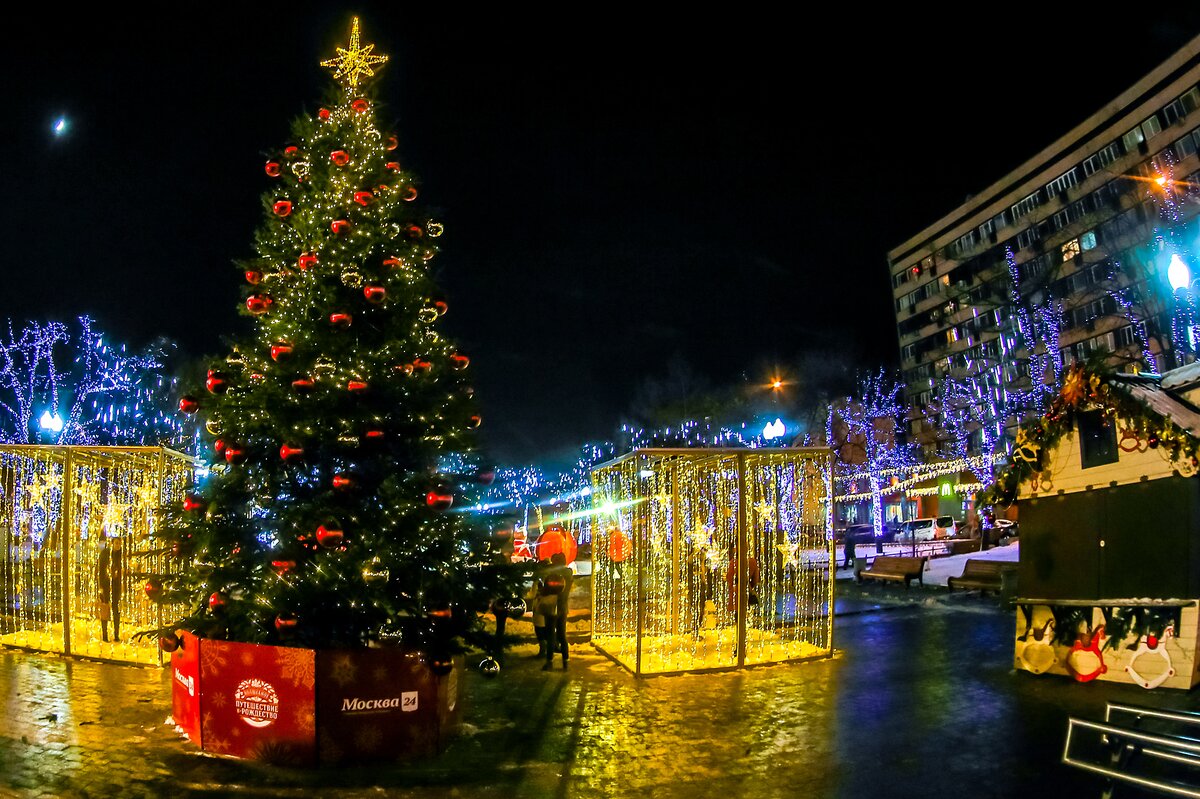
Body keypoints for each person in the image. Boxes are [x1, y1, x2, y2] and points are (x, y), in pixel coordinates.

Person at [538, 553, 572, 670]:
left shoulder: (551, 574)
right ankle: (565, 662)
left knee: (551, 635)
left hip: (551, 606)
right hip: (562, 607)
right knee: (562, 635)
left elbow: (545, 589)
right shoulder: (568, 573)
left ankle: (549, 662)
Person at [97, 536, 123, 642]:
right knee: (105, 609)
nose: (118, 545)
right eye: (116, 543)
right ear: (112, 543)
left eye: (119, 543)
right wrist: (101, 586)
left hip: (116, 586)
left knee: (116, 610)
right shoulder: (105, 554)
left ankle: (116, 635)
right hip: (106, 585)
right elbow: (100, 570)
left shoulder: (121, 555)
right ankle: (105, 635)